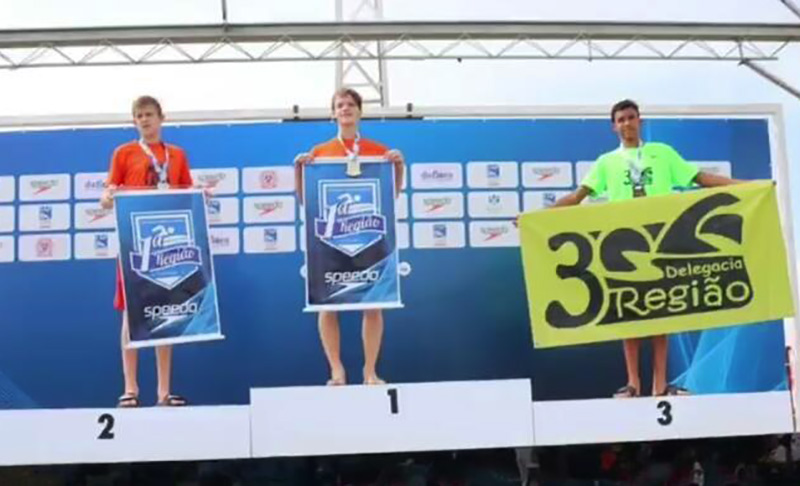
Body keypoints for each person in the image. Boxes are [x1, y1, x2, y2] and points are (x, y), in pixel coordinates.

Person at [552, 99, 740, 398]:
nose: (627, 123)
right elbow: (577, 198)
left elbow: (700, 179)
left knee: (661, 311)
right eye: (621, 119)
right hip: (623, 240)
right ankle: (633, 384)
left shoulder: (662, 153)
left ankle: (661, 385)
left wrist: (743, 185)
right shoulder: (606, 162)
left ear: (640, 120)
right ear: (614, 126)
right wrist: (537, 215)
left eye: (631, 117)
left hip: (661, 239)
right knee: (629, 312)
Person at [294, 88, 405, 386]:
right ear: (333, 113)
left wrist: (398, 167)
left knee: (374, 304)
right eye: (339, 105)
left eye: (350, 105)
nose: (345, 109)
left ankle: (370, 371)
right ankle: (337, 370)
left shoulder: (377, 150)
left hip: (369, 241)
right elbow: (307, 202)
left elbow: (389, 197)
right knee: (327, 305)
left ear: (360, 111)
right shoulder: (319, 152)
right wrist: (298, 169)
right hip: (330, 245)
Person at [100, 95, 193, 407]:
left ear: (161, 117)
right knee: (131, 314)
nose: (144, 120)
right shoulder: (123, 153)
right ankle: (130, 388)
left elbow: (186, 194)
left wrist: (202, 195)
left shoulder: (177, 155)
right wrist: (110, 196)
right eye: (139, 115)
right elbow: (106, 198)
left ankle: (164, 391)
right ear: (134, 121)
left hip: (168, 247)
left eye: (149, 114)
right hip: (133, 245)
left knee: (164, 314)